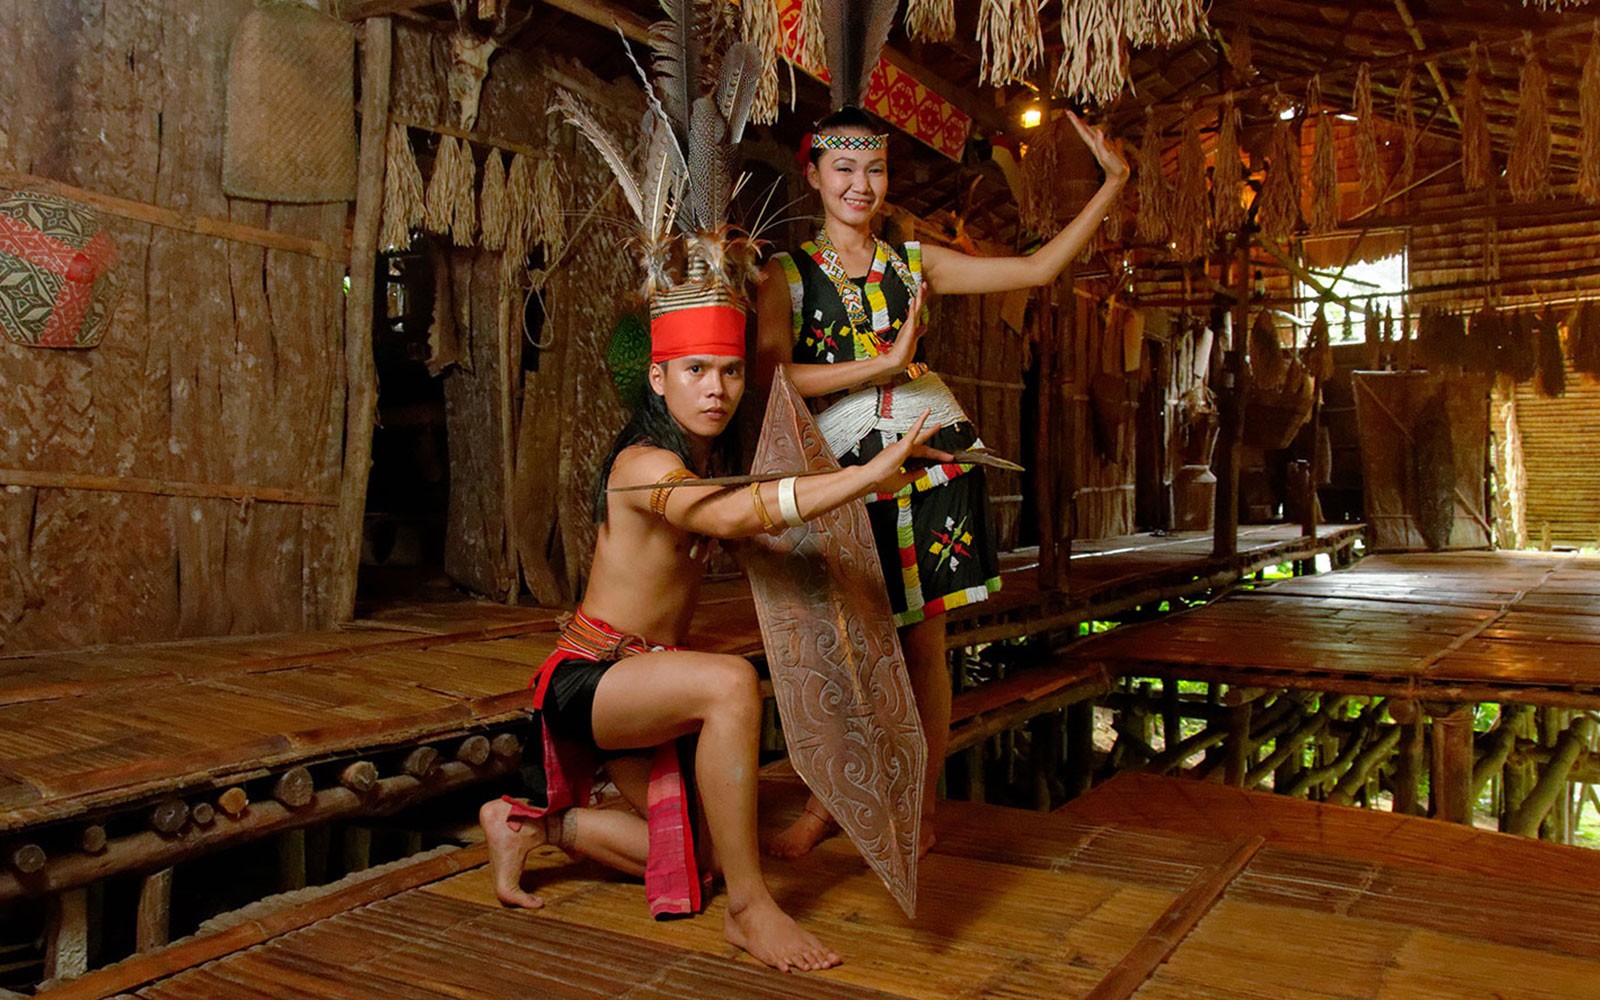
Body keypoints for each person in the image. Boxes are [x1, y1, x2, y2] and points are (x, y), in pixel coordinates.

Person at [480, 280, 948, 973]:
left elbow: (761, 530)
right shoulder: (644, 466)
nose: (717, 389)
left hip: (649, 679)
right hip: (590, 681)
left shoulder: (705, 464)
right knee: (731, 683)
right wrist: (865, 473)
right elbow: (733, 516)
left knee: (699, 857)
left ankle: (535, 825)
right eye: (695, 371)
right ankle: (750, 911)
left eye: (730, 371)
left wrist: (883, 483)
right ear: (658, 377)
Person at [756, 106, 1129, 858]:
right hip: (842, 473)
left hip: (933, 464)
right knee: (846, 644)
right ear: (814, 175)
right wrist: (882, 365)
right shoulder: (785, 275)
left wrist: (1113, 182)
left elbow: (1035, 269)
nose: (861, 185)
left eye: (875, 169)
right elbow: (775, 376)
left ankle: (920, 807)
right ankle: (830, 802)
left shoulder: (912, 264)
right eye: (844, 168)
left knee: (923, 650)